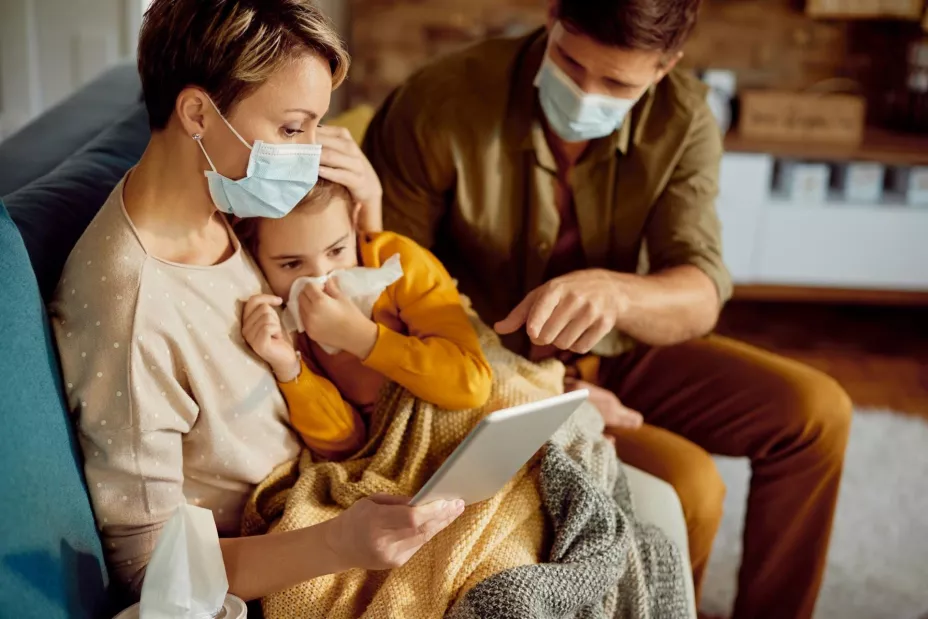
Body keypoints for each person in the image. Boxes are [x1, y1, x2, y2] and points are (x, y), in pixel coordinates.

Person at [362, 0, 853, 617]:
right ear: (552, 17)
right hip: (488, 369)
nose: (583, 92)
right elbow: (389, 290)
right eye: (568, 61)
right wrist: (541, 388)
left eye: (617, 82)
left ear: (665, 66)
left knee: (817, 411)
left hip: (619, 350)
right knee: (691, 486)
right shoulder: (438, 102)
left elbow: (701, 288)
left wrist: (618, 294)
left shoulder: (687, 118)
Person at [48, 0, 463, 602]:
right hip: (295, 548)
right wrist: (341, 543)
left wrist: (368, 205)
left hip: (339, 478)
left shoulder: (227, 205)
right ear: (196, 113)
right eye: (294, 128)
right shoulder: (131, 303)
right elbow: (153, 568)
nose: (313, 152)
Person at [234, 178, 492, 459]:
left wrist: (359, 337)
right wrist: (290, 370)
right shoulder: (284, 324)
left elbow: (472, 386)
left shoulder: (397, 263)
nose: (321, 279)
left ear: (354, 223)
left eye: (336, 251)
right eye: (292, 264)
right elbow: (347, 447)